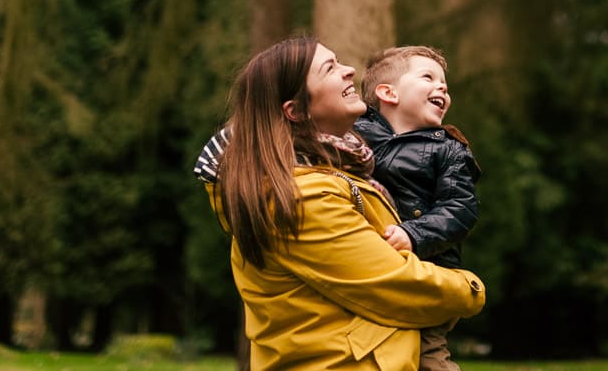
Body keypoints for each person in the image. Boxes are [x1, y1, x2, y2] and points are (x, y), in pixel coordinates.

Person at [194, 36, 485, 371]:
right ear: (296, 111)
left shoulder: (341, 165)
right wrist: (470, 288)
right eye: (330, 68)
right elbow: (394, 286)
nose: (349, 71)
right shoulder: (301, 196)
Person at [354, 46, 479, 371]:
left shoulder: (449, 149)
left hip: (426, 276)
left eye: (445, 85)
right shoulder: (354, 134)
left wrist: (414, 233)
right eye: (428, 77)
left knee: (427, 358)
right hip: (369, 270)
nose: (443, 88)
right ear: (387, 92)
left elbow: (460, 208)